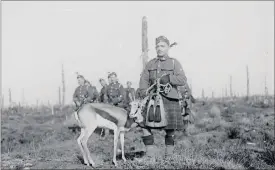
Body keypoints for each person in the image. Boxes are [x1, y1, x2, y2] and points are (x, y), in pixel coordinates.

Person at [138, 36, 188, 159]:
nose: (159, 49)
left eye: (162, 46)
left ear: (168, 47)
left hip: (169, 99)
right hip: (153, 99)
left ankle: (169, 157)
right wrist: (144, 91)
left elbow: (182, 79)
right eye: (157, 46)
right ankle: (150, 156)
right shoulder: (150, 64)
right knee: (144, 126)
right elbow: (143, 79)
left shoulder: (174, 63)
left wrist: (170, 78)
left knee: (170, 130)